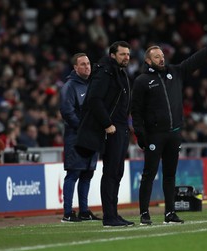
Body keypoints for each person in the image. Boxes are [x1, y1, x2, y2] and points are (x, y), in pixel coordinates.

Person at [131, 28, 207, 225]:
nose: (162, 59)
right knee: (149, 175)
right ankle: (144, 213)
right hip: (154, 135)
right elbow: (136, 111)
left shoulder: (175, 72)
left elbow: (196, 59)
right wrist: (141, 135)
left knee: (170, 175)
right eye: (157, 57)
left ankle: (170, 213)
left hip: (174, 134)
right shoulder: (142, 81)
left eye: (162, 55)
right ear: (148, 61)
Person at [75, 41, 134, 227]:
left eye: (128, 54)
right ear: (113, 55)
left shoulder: (119, 72)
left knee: (117, 172)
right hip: (112, 128)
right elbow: (94, 100)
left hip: (122, 128)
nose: (126, 57)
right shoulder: (105, 71)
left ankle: (114, 214)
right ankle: (109, 216)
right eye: (123, 54)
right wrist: (107, 124)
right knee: (110, 172)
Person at [59, 53, 101, 223]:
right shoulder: (69, 86)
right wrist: (84, 128)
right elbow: (67, 112)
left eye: (88, 63)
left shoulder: (93, 84)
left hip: (92, 136)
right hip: (76, 137)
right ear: (75, 68)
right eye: (83, 64)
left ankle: (84, 210)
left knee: (87, 173)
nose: (87, 67)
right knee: (73, 173)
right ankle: (68, 213)